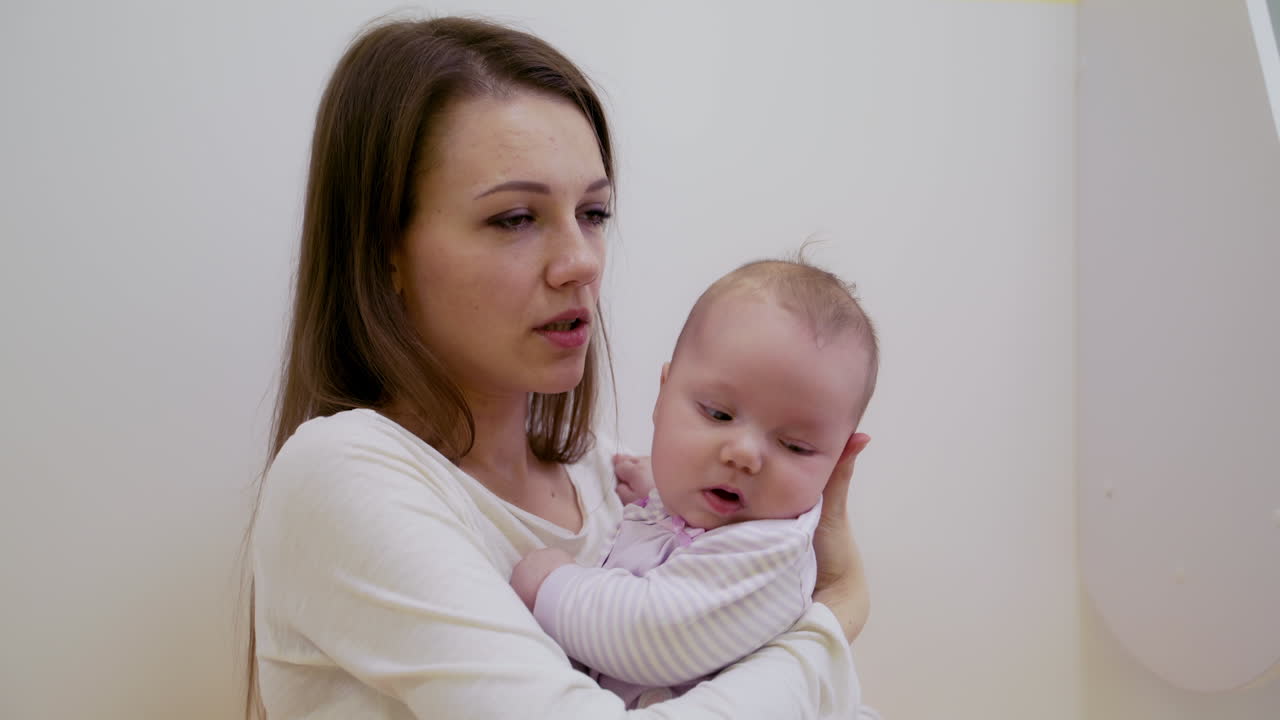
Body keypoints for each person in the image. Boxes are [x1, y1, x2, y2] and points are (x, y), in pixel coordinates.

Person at [246, 16, 872, 720]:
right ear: (384, 248)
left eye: (594, 212)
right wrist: (831, 620)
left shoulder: (616, 481)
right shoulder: (345, 473)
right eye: (516, 218)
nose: (581, 262)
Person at [509, 258, 879, 710]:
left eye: (795, 446)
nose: (743, 454)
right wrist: (658, 494)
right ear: (662, 396)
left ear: (840, 461)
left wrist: (551, 584)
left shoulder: (767, 553)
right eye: (718, 415)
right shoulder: (697, 513)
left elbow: (649, 634)